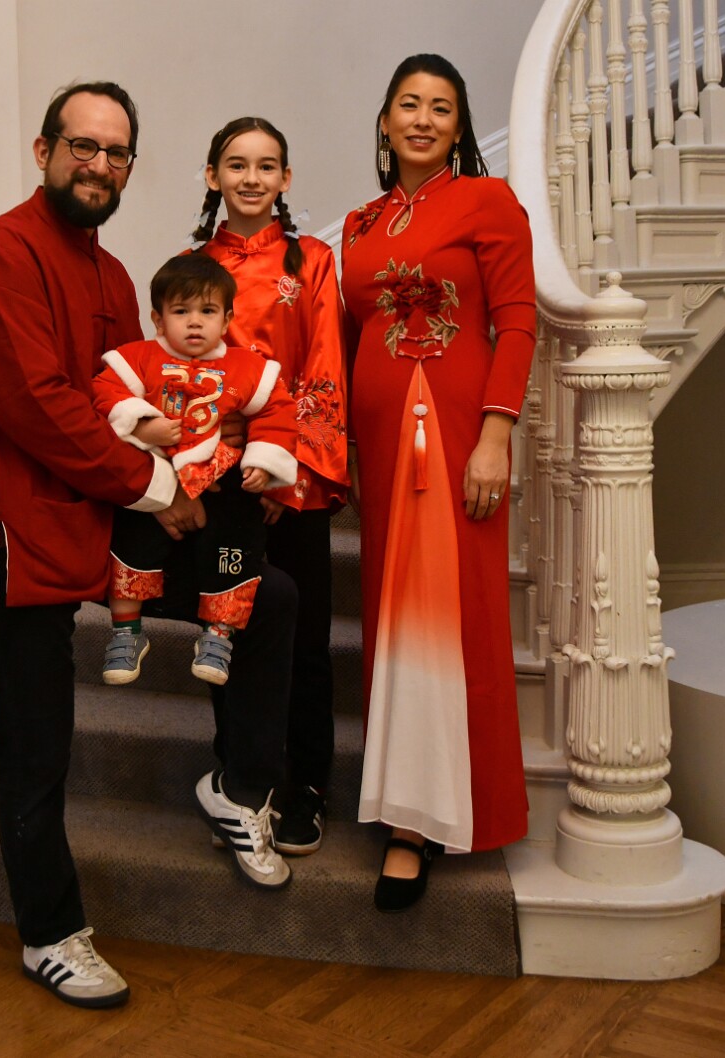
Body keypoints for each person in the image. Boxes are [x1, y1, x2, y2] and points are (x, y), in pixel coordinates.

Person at [0, 83, 295, 1012]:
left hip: (101, 524)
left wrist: (222, 462)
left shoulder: (116, 274)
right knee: (36, 744)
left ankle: (235, 785)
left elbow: (143, 404)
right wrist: (158, 488)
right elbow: (37, 405)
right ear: (44, 149)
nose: (98, 164)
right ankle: (50, 934)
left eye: (116, 153)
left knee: (270, 598)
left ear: (130, 168)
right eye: (82, 146)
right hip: (17, 534)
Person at [340, 54, 536, 911]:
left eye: (442, 108)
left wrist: (496, 434)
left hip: (459, 432)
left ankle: (440, 818)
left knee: (461, 613)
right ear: (384, 122)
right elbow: (339, 335)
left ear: (460, 128)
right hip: (381, 442)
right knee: (393, 616)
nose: (422, 119)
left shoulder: (487, 203)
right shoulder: (358, 224)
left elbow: (518, 319)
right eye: (408, 105)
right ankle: (406, 807)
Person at [191, 117, 349, 855]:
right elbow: (178, 377)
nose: (251, 178)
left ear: (285, 179)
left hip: (293, 491)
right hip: (222, 491)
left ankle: (306, 786)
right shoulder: (192, 268)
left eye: (266, 166)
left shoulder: (311, 261)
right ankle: (238, 774)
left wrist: (283, 472)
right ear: (213, 176)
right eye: (236, 164)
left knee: (306, 641)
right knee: (227, 626)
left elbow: (322, 372)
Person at [92, 254, 297, 687]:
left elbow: (278, 412)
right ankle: (126, 632)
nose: (194, 323)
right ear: (158, 318)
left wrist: (263, 462)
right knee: (130, 539)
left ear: (226, 319)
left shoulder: (248, 367)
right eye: (181, 311)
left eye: (207, 312)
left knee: (235, 544)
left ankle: (219, 634)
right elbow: (104, 393)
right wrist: (144, 422)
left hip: (221, 481)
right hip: (159, 480)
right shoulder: (138, 359)